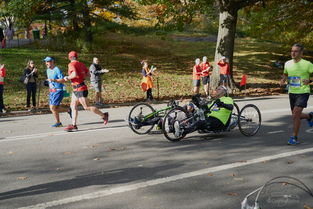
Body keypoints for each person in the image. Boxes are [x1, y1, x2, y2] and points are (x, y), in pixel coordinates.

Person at [63, 51, 109, 132]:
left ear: (69, 58)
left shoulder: (71, 64)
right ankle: (74, 125)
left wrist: (67, 77)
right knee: (73, 106)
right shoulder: (81, 64)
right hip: (77, 88)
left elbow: (74, 75)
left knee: (86, 107)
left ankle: (104, 115)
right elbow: (89, 74)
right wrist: (81, 76)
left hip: (80, 89)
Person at [280, 43, 313, 145]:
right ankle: (310, 117)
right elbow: (285, 73)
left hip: (303, 92)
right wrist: (283, 80)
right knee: (296, 116)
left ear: (301, 53)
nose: (293, 53)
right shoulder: (287, 63)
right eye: (292, 51)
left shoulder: (307, 64)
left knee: (295, 115)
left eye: (296, 51)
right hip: (292, 92)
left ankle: (294, 137)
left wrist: (310, 80)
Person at [44, 57, 66, 127]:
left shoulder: (57, 69)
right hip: (52, 91)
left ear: (52, 62)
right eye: (46, 62)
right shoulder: (47, 70)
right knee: (53, 108)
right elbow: (50, 80)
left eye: (48, 61)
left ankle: (58, 122)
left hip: (58, 90)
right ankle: (68, 110)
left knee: (53, 107)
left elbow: (63, 80)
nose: (47, 63)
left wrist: (54, 80)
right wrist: (47, 83)